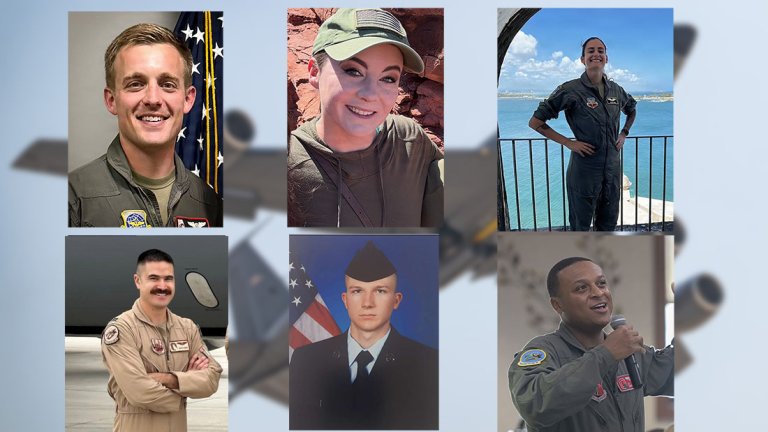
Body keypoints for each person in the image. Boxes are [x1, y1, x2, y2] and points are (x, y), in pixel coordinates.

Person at [287, 8, 444, 228]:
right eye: (353, 71)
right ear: (314, 72)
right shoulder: (289, 162)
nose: (370, 94)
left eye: (388, 78)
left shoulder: (409, 139)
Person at [69, 23, 222, 228]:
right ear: (111, 100)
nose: (153, 99)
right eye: (136, 84)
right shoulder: (72, 197)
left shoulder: (210, 204)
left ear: (187, 99)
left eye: (167, 84)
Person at [508, 257, 673, 432]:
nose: (598, 293)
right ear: (557, 305)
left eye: (601, 283)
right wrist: (605, 354)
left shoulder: (629, 353)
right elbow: (534, 406)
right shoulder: (544, 351)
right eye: (581, 288)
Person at [289, 241, 438, 430]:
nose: (368, 303)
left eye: (380, 291)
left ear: (396, 300)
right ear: (345, 300)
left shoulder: (428, 363)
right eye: (357, 291)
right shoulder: (307, 360)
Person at [101, 249, 222, 432]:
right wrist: (186, 387)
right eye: (154, 278)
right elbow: (139, 392)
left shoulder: (187, 328)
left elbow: (211, 380)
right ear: (137, 281)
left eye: (168, 279)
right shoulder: (122, 329)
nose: (162, 286)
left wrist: (168, 379)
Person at [528, 37, 637, 231]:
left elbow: (632, 109)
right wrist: (569, 143)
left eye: (601, 51)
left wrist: (624, 132)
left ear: (606, 58)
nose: (596, 54)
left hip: (612, 172)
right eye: (591, 51)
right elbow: (536, 122)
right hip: (584, 172)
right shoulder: (570, 90)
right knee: (580, 227)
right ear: (582, 59)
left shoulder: (616, 90)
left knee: (608, 227)